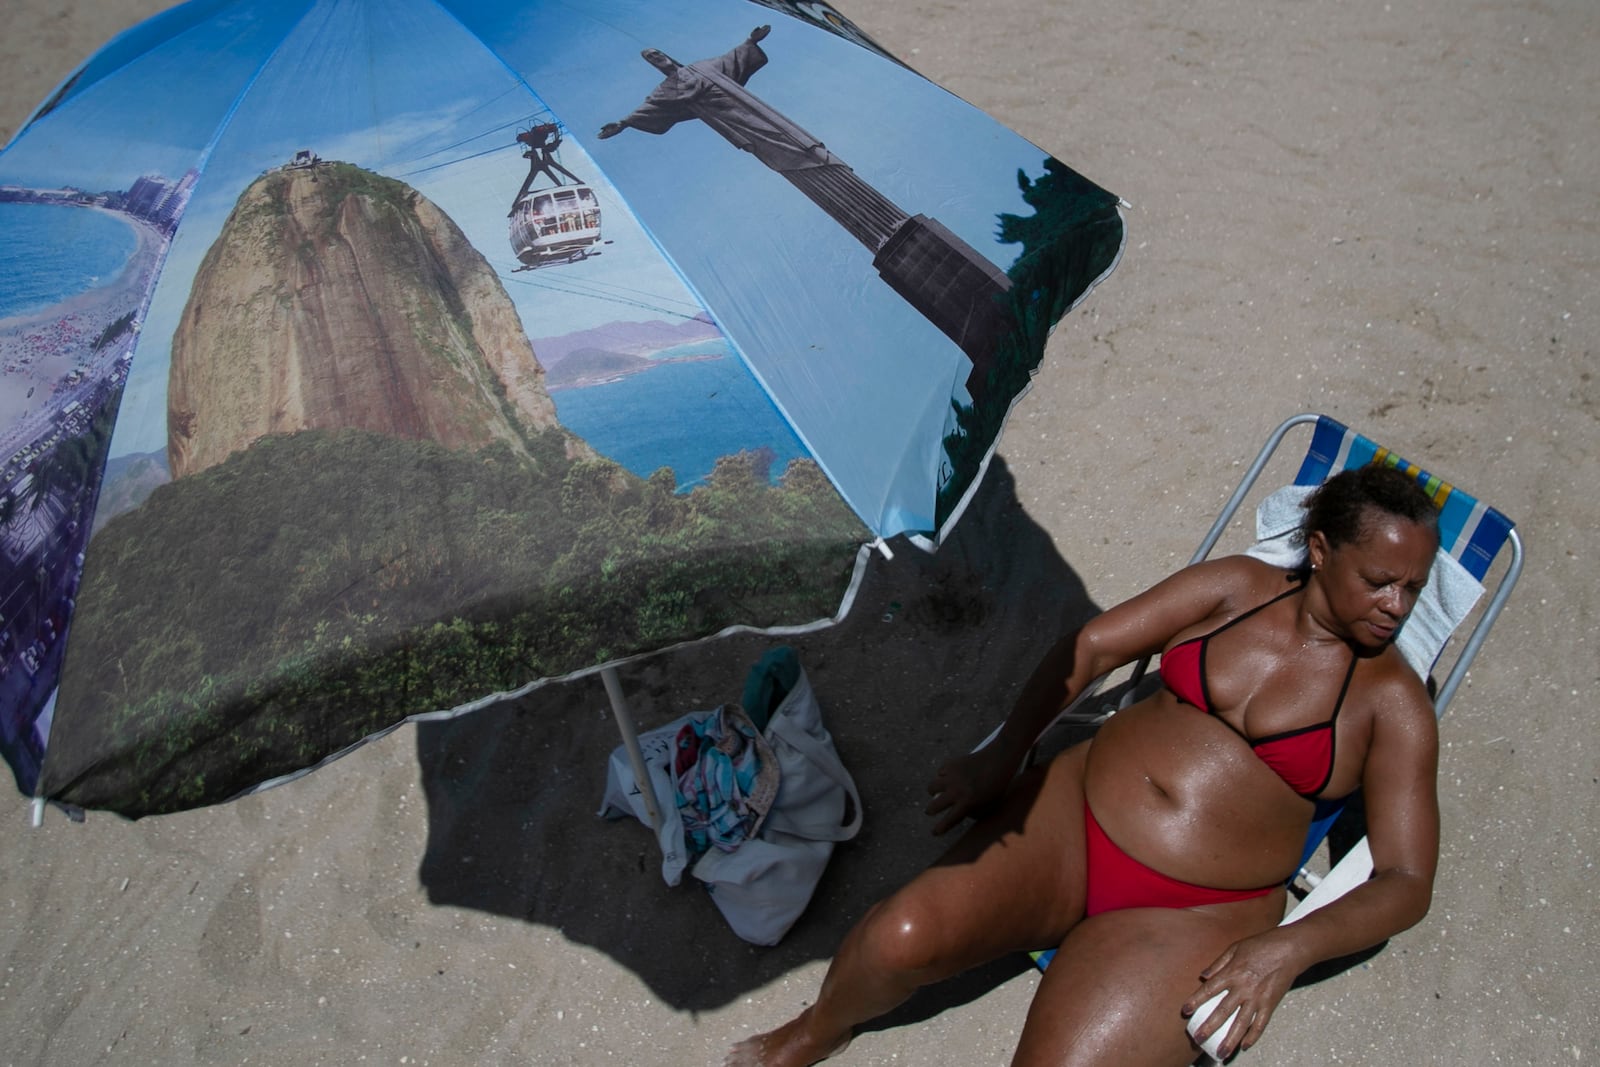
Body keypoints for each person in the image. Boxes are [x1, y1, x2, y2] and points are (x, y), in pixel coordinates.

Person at [727, 464, 1443, 1066]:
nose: (1397, 606)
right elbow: (1096, 646)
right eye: (1380, 580)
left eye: (1412, 588)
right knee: (898, 938)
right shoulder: (1237, 587)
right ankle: (814, 1031)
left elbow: (1407, 881)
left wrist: (1285, 950)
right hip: (1074, 818)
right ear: (1319, 549)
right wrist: (1003, 758)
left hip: (1198, 910)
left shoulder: (1393, 703)